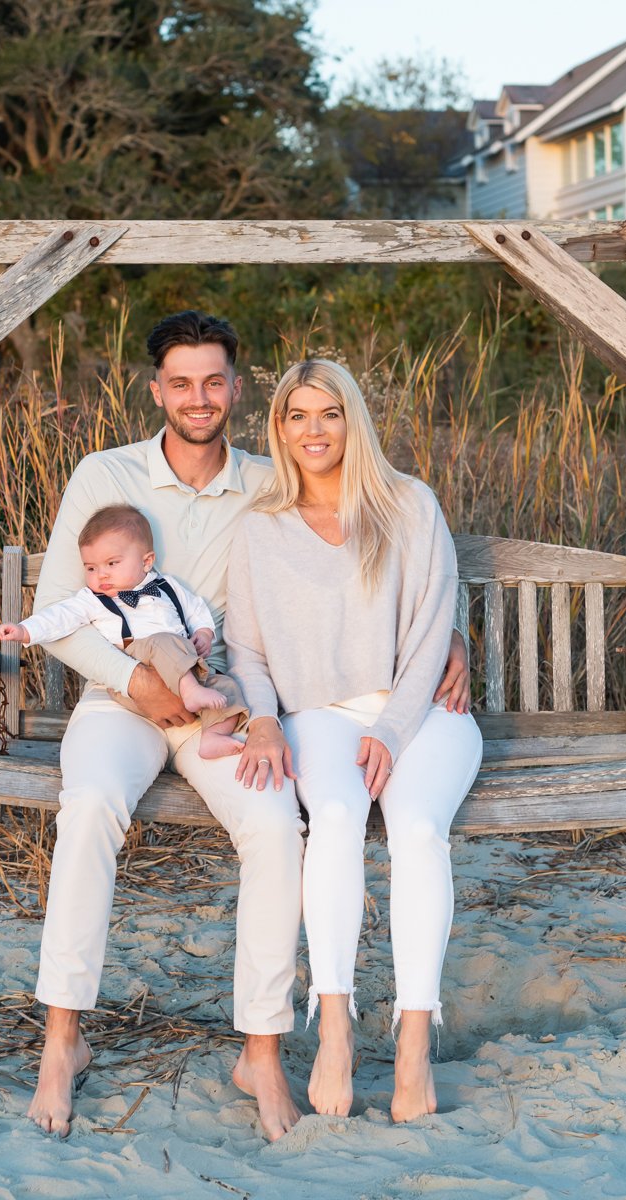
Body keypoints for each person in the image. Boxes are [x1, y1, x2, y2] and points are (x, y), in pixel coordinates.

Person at [23, 313, 470, 1141]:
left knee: (276, 825)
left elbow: (416, 554)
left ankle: (260, 1050)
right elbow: (61, 612)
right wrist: (139, 684)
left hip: (226, 709)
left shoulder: (275, 480)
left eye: (215, 381)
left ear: (237, 388)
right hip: (121, 700)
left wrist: (458, 634)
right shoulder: (104, 474)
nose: (199, 398)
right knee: (88, 805)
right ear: (156, 390)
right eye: (181, 383)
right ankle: (63, 1041)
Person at [224, 358, 483, 1124]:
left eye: (329, 414)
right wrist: (264, 717)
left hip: (424, 712)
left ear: (353, 420)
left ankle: (411, 1043)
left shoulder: (408, 505)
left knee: (416, 829)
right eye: (297, 416)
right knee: (332, 819)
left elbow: (436, 627)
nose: (313, 430)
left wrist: (395, 732)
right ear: (278, 427)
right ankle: (333, 1027)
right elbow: (246, 652)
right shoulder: (260, 528)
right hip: (316, 718)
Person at [0, 503, 247, 758]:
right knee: (163, 642)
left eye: (111, 563)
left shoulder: (166, 585)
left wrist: (203, 633)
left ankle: (213, 737)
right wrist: (24, 630)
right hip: (138, 664)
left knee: (228, 688)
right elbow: (60, 616)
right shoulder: (93, 600)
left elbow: (195, 609)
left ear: (147, 561)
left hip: (187, 666)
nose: (101, 575)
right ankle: (190, 692)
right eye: (91, 568)